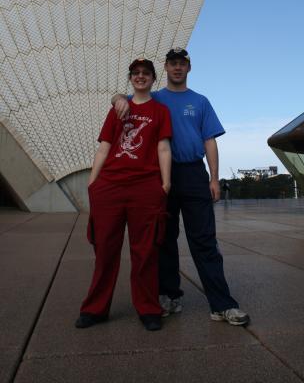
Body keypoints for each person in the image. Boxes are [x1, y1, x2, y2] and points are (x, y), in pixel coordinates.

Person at [113, 47, 250, 326]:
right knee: (163, 239)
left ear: (188, 68)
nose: (177, 68)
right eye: (172, 63)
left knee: (204, 241)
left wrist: (214, 178)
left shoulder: (200, 101)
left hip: (192, 174)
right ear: (164, 68)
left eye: (182, 64)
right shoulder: (153, 97)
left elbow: (210, 140)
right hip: (159, 175)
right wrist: (117, 97)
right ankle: (169, 295)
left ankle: (222, 304)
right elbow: (125, 100)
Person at [75, 58, 172, 332]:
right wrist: (93, 184)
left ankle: (148, 308)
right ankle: (95, 309)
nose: (141, 77)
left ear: (154, 79)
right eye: (136, 73)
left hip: (145, 187)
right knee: (105, 250)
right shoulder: (118, 109)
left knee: (145, 252)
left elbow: (163, 148)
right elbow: (104, 148)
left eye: (146, 73)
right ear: (131, 78)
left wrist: (165, 184)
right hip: (111, 186)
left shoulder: (160, 111)